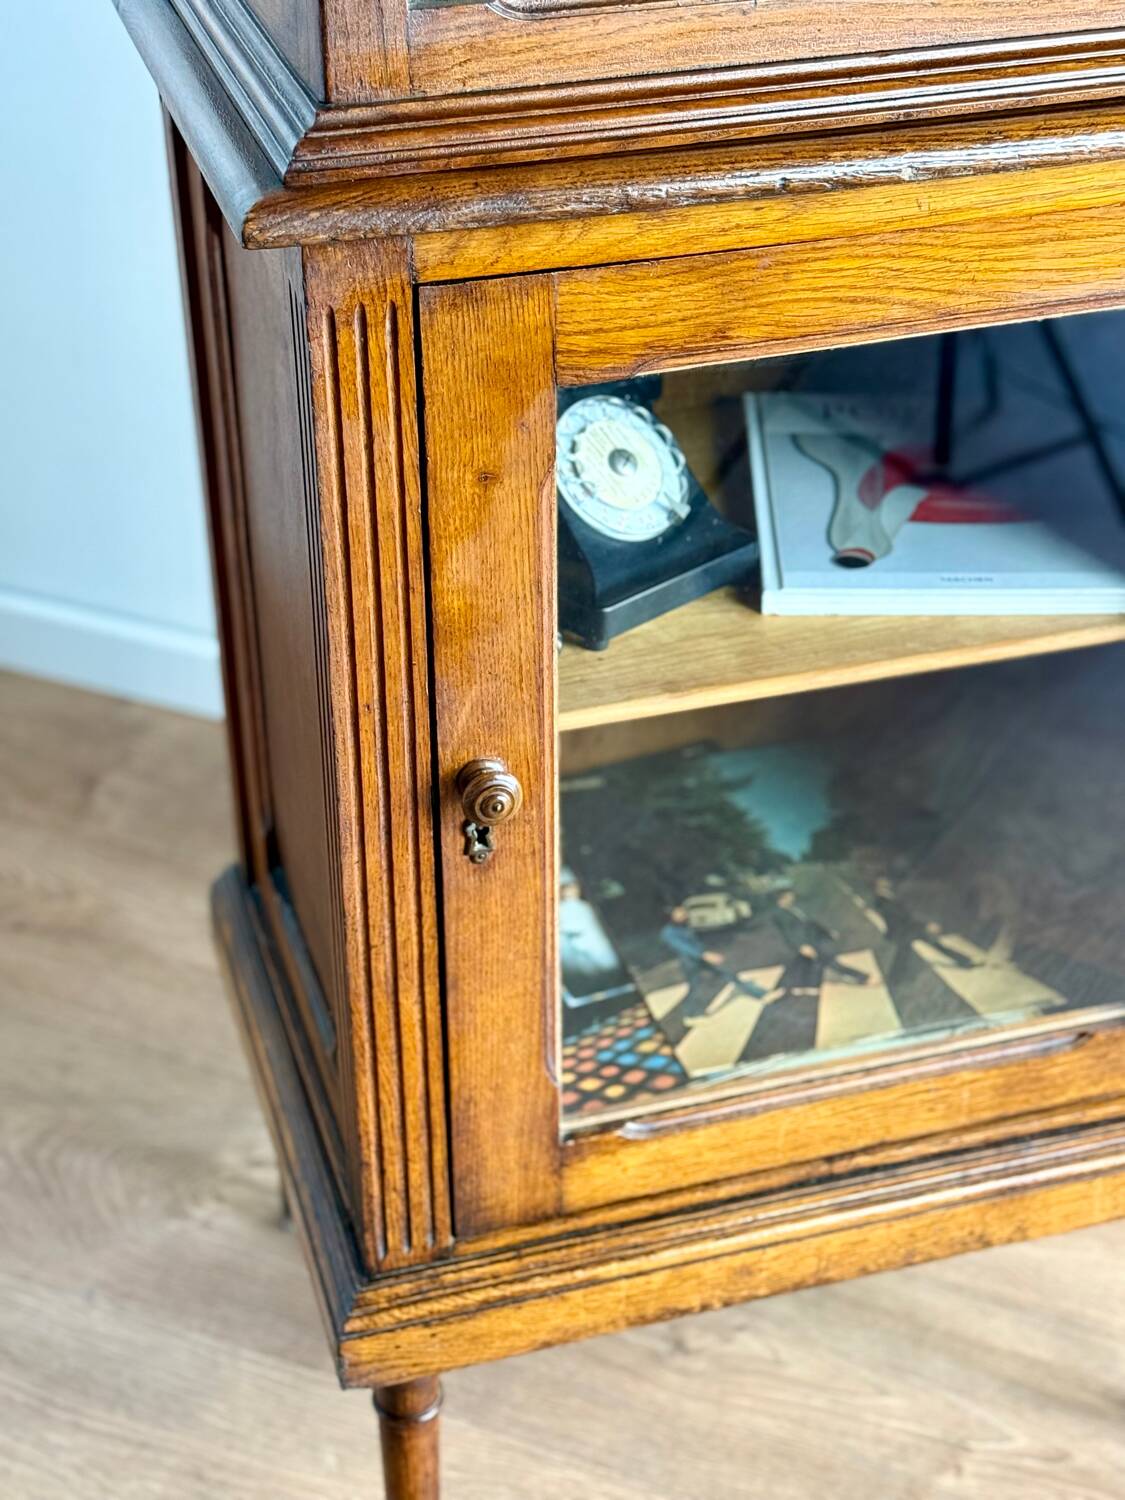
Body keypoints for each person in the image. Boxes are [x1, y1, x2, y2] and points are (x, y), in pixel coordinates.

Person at [660, 905, 767, 1024]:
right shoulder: (668, 932)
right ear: (671, 916)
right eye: (679, 912)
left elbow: (696, 942)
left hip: (702, 958)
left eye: (683, 911)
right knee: (695, 987)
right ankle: (690, 1015)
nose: (684, 914)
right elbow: (684, 947)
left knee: (728, 973)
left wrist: (707, 953)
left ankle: (759, 994)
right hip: (690, 962)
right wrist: (704, 954)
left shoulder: (684, 926)